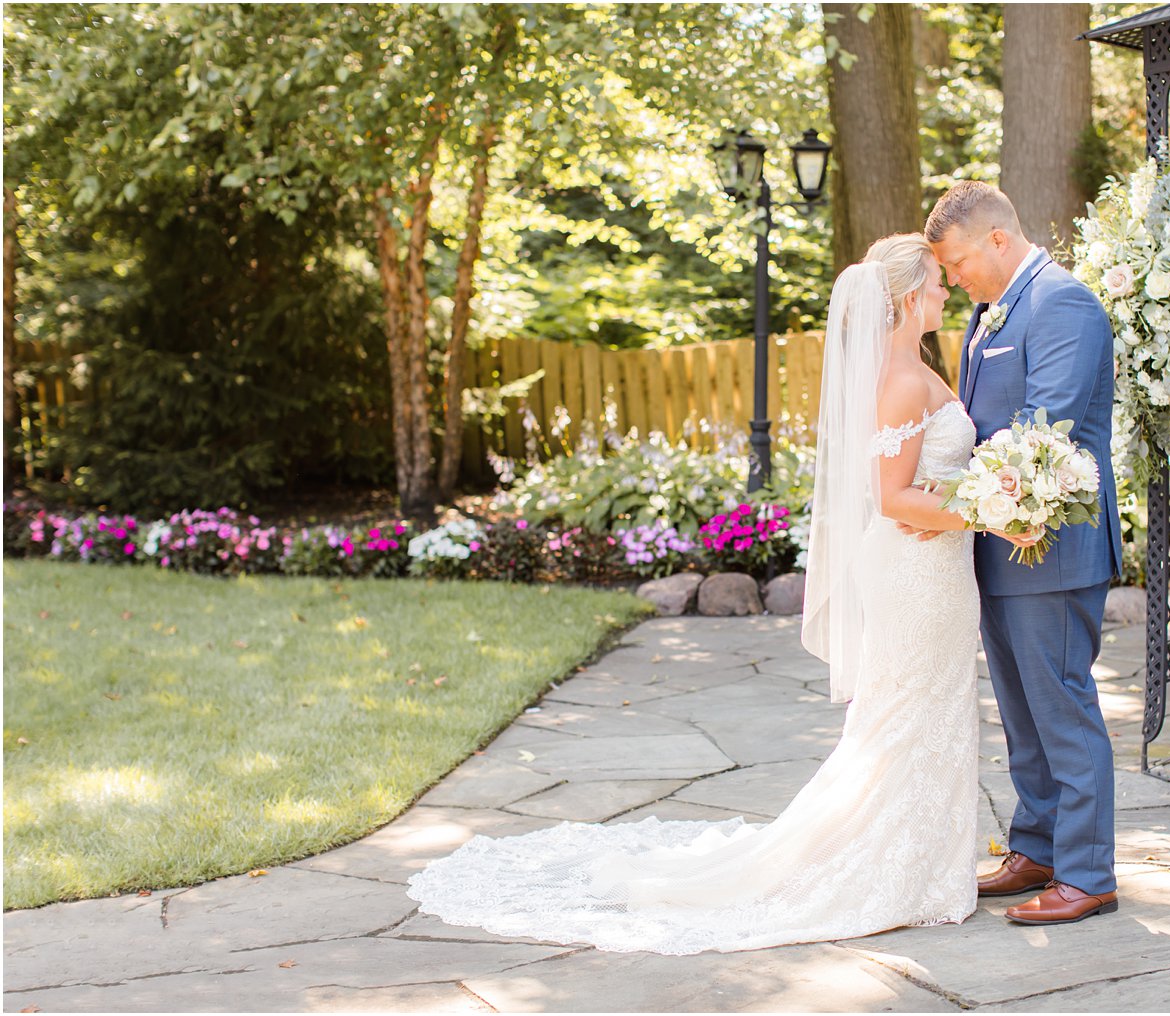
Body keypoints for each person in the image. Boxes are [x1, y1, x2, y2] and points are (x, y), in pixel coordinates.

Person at [406, 233, 1002, 954]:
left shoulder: (916, 369)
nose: (946, 293)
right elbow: (894, 496)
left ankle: (923, 867)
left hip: (935, 569)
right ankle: (896, 870)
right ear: (910, 298)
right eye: (937, 283)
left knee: (920, 712)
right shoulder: (903, 382)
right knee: (903, 716)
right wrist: (989, 508)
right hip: (916, 573)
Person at [922, 181, 1124, 926]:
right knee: (1021, 715)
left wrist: (957, 504)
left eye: (959, 260)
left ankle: (1087, 873)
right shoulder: (988, 311)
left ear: (998, 240)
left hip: (1053, 548)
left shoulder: (1063, 304)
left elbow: (1044, 431)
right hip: (998, 547)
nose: (953, 278)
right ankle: (1036, 848)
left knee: (1062, 711)